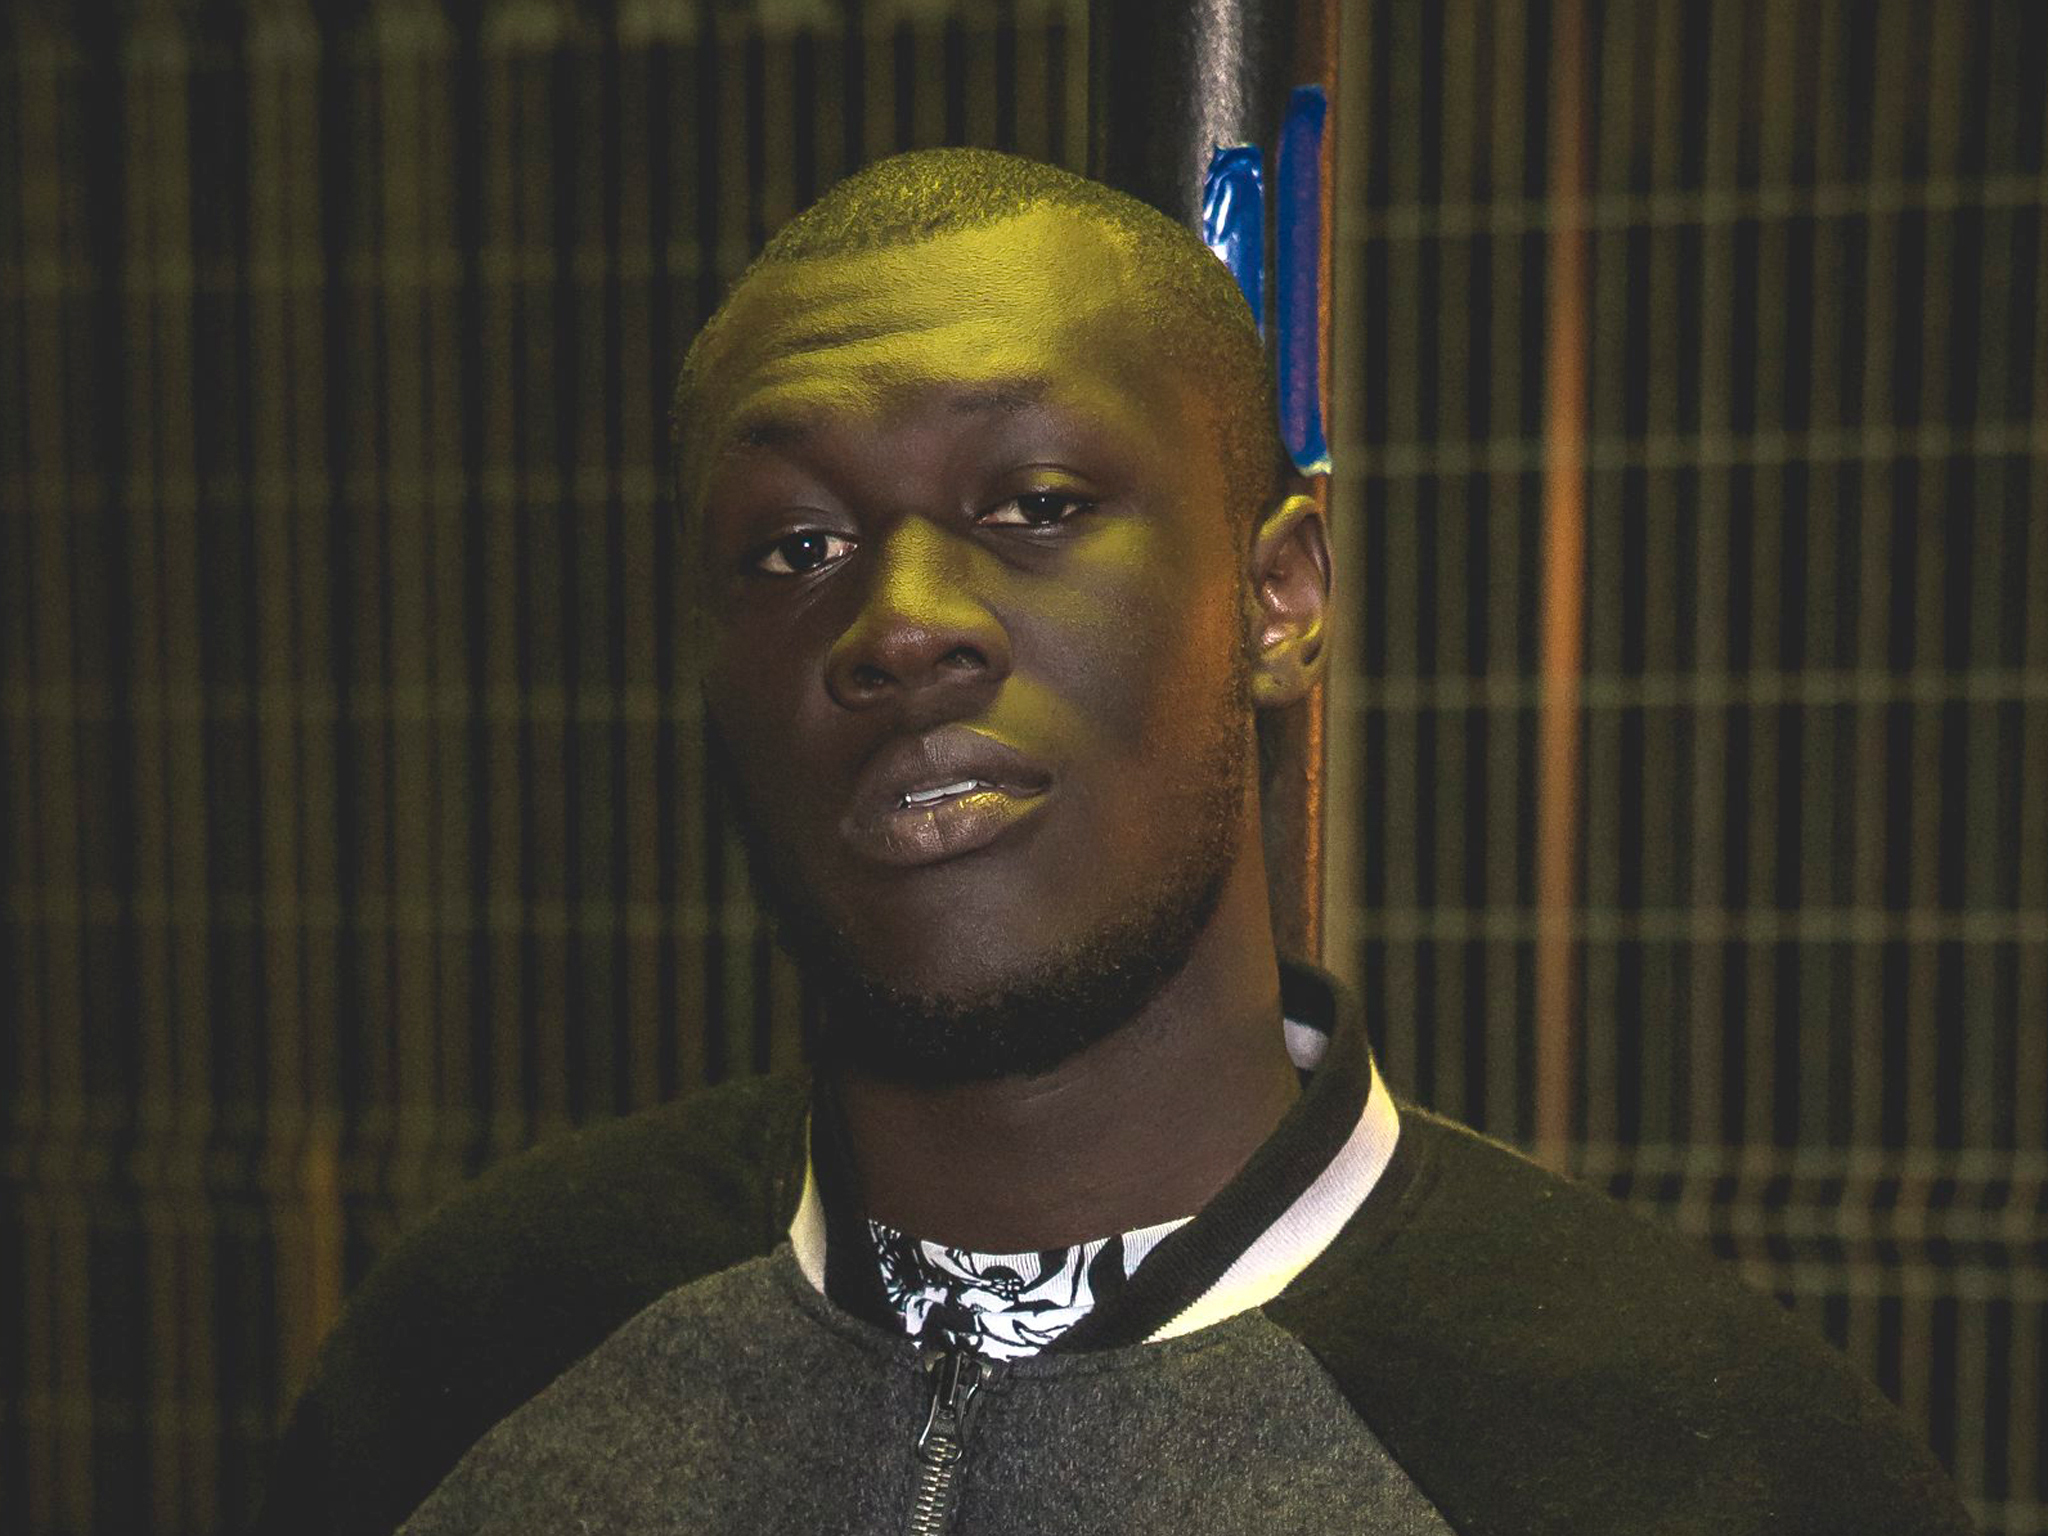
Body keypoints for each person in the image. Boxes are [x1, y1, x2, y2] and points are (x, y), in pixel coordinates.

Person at [254, 147, 1974, 1536]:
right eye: (795, 547)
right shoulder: (473, 1365)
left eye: (1038, 506)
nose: (903, 622)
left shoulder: (1682, 1462)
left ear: (1278, 599)